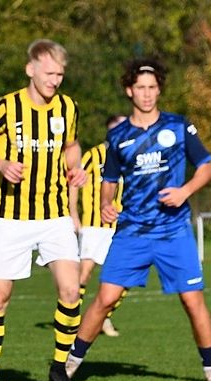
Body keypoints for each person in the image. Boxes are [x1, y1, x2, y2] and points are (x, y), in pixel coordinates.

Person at [64, 58, 211, 381]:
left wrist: (185, 191)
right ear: (129, 90)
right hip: (132, 232)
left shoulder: (178, 126)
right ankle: (67, 366)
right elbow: (109, 179)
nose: (147, 94)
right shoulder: (118, 136)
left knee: (192, 301)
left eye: (152, 87)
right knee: (105, 298)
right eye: (141, 88)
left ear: (159, 90)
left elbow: (206, 168)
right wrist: (106, 204)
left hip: (173, 231)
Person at [0, 39, 87, 381]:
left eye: (60, 74)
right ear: (30, 69)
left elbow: (72, 147)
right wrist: (0, 164)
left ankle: (59, 369)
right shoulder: (6, 107)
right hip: (12, 218)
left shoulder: (68, 107)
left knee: (71, 290)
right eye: (49, 73)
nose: (55, 80)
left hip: (55, 215)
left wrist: (75, 167)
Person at [68, 114, 127, 339]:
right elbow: (75, 182)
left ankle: (103, 317)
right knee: (84, 274)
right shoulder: (94, 155)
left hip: (120, 226)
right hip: (94, 225)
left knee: (124, 277)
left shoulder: (129, 155)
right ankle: (71, 321)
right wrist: (73, 213)